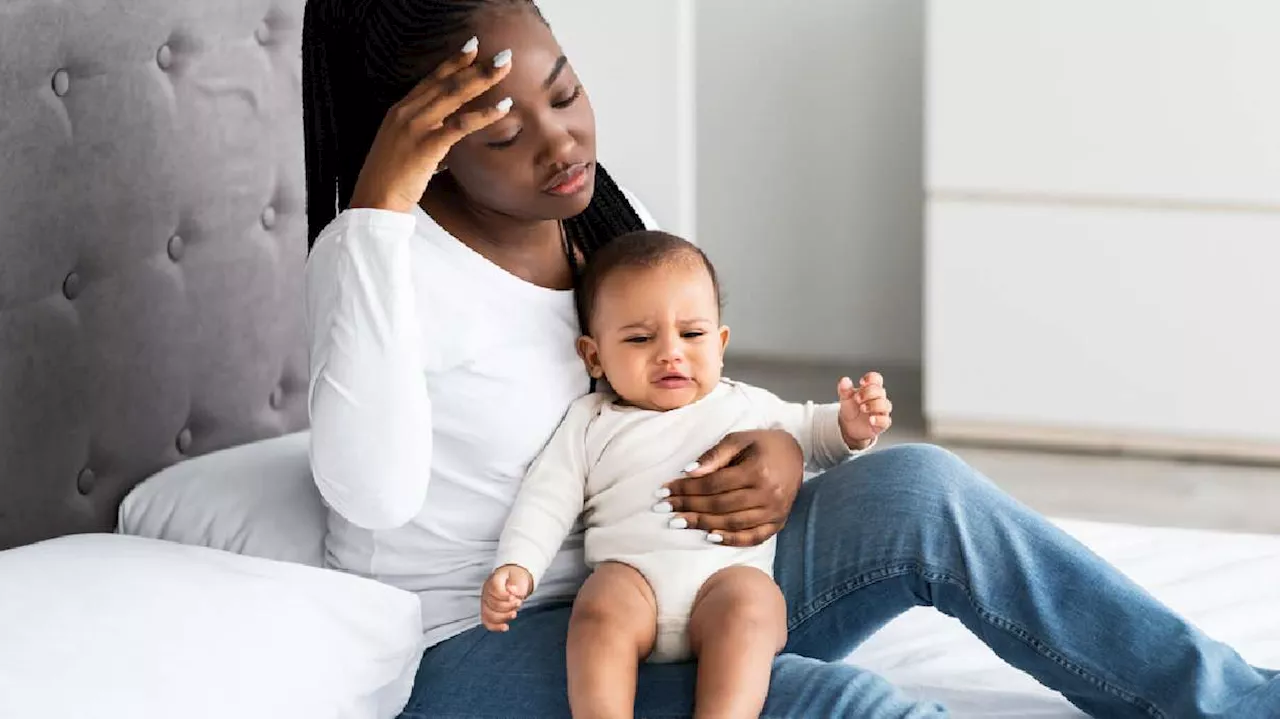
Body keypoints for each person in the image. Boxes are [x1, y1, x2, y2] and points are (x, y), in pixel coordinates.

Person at [300, 1, 1280, 716]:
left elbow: (678, 394)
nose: (559, 142)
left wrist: (772, 448)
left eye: (564, 93)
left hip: (670, 571)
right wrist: (378, 214)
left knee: (920, 490)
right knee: (843, 704)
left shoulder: (591, 214)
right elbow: (371, 494)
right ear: (418, 141)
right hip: (492, 642)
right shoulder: (377, 264)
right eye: (504, 132)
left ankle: (1233, 703)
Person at [479, 231, 892, 717]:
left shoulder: (747, 404)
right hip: (632, 582)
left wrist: (853, 424)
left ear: (720, 344)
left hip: (724, 581)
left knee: (753, 606)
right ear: (593, 356)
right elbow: (547, 498)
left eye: (692, 335)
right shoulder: (591, 422)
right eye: (639, 338)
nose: (670, 353)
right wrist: (518, 565)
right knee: (596, 612)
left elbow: (816, 433)